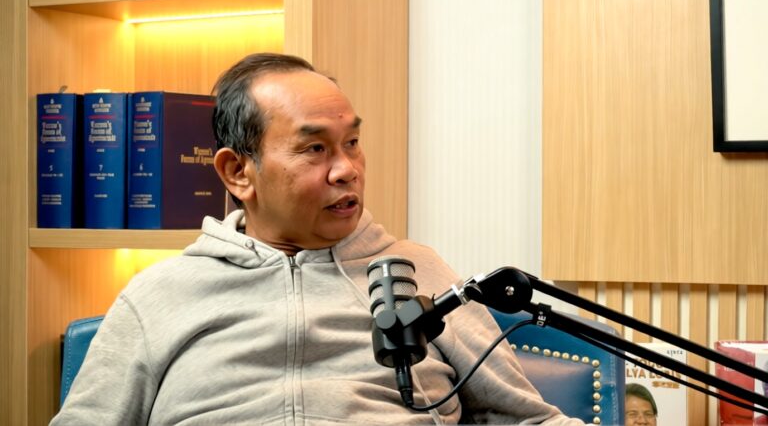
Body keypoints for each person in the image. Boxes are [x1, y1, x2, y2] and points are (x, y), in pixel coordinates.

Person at [51, 53, 585, 425]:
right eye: (315, 150)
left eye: (352, 142)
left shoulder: (418, 271)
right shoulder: (160, 295)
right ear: (239, 172)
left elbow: (525, 419)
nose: (347, 170)